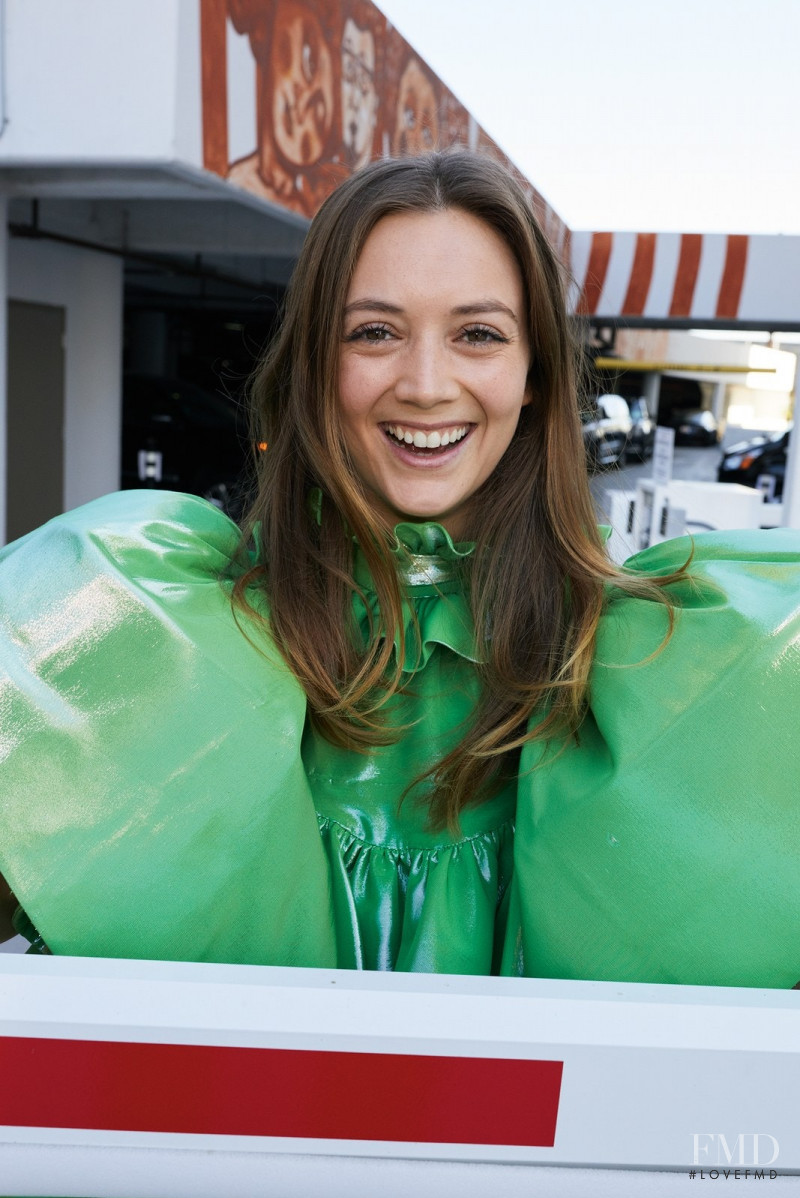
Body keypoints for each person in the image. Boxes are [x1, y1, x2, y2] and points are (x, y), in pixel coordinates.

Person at [1, 151, 799, 987]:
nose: (424, 384)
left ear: (533, 375)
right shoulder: (148, 621)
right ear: (315, 364)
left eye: (478, 334)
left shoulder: (670, 660)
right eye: (374, 331)